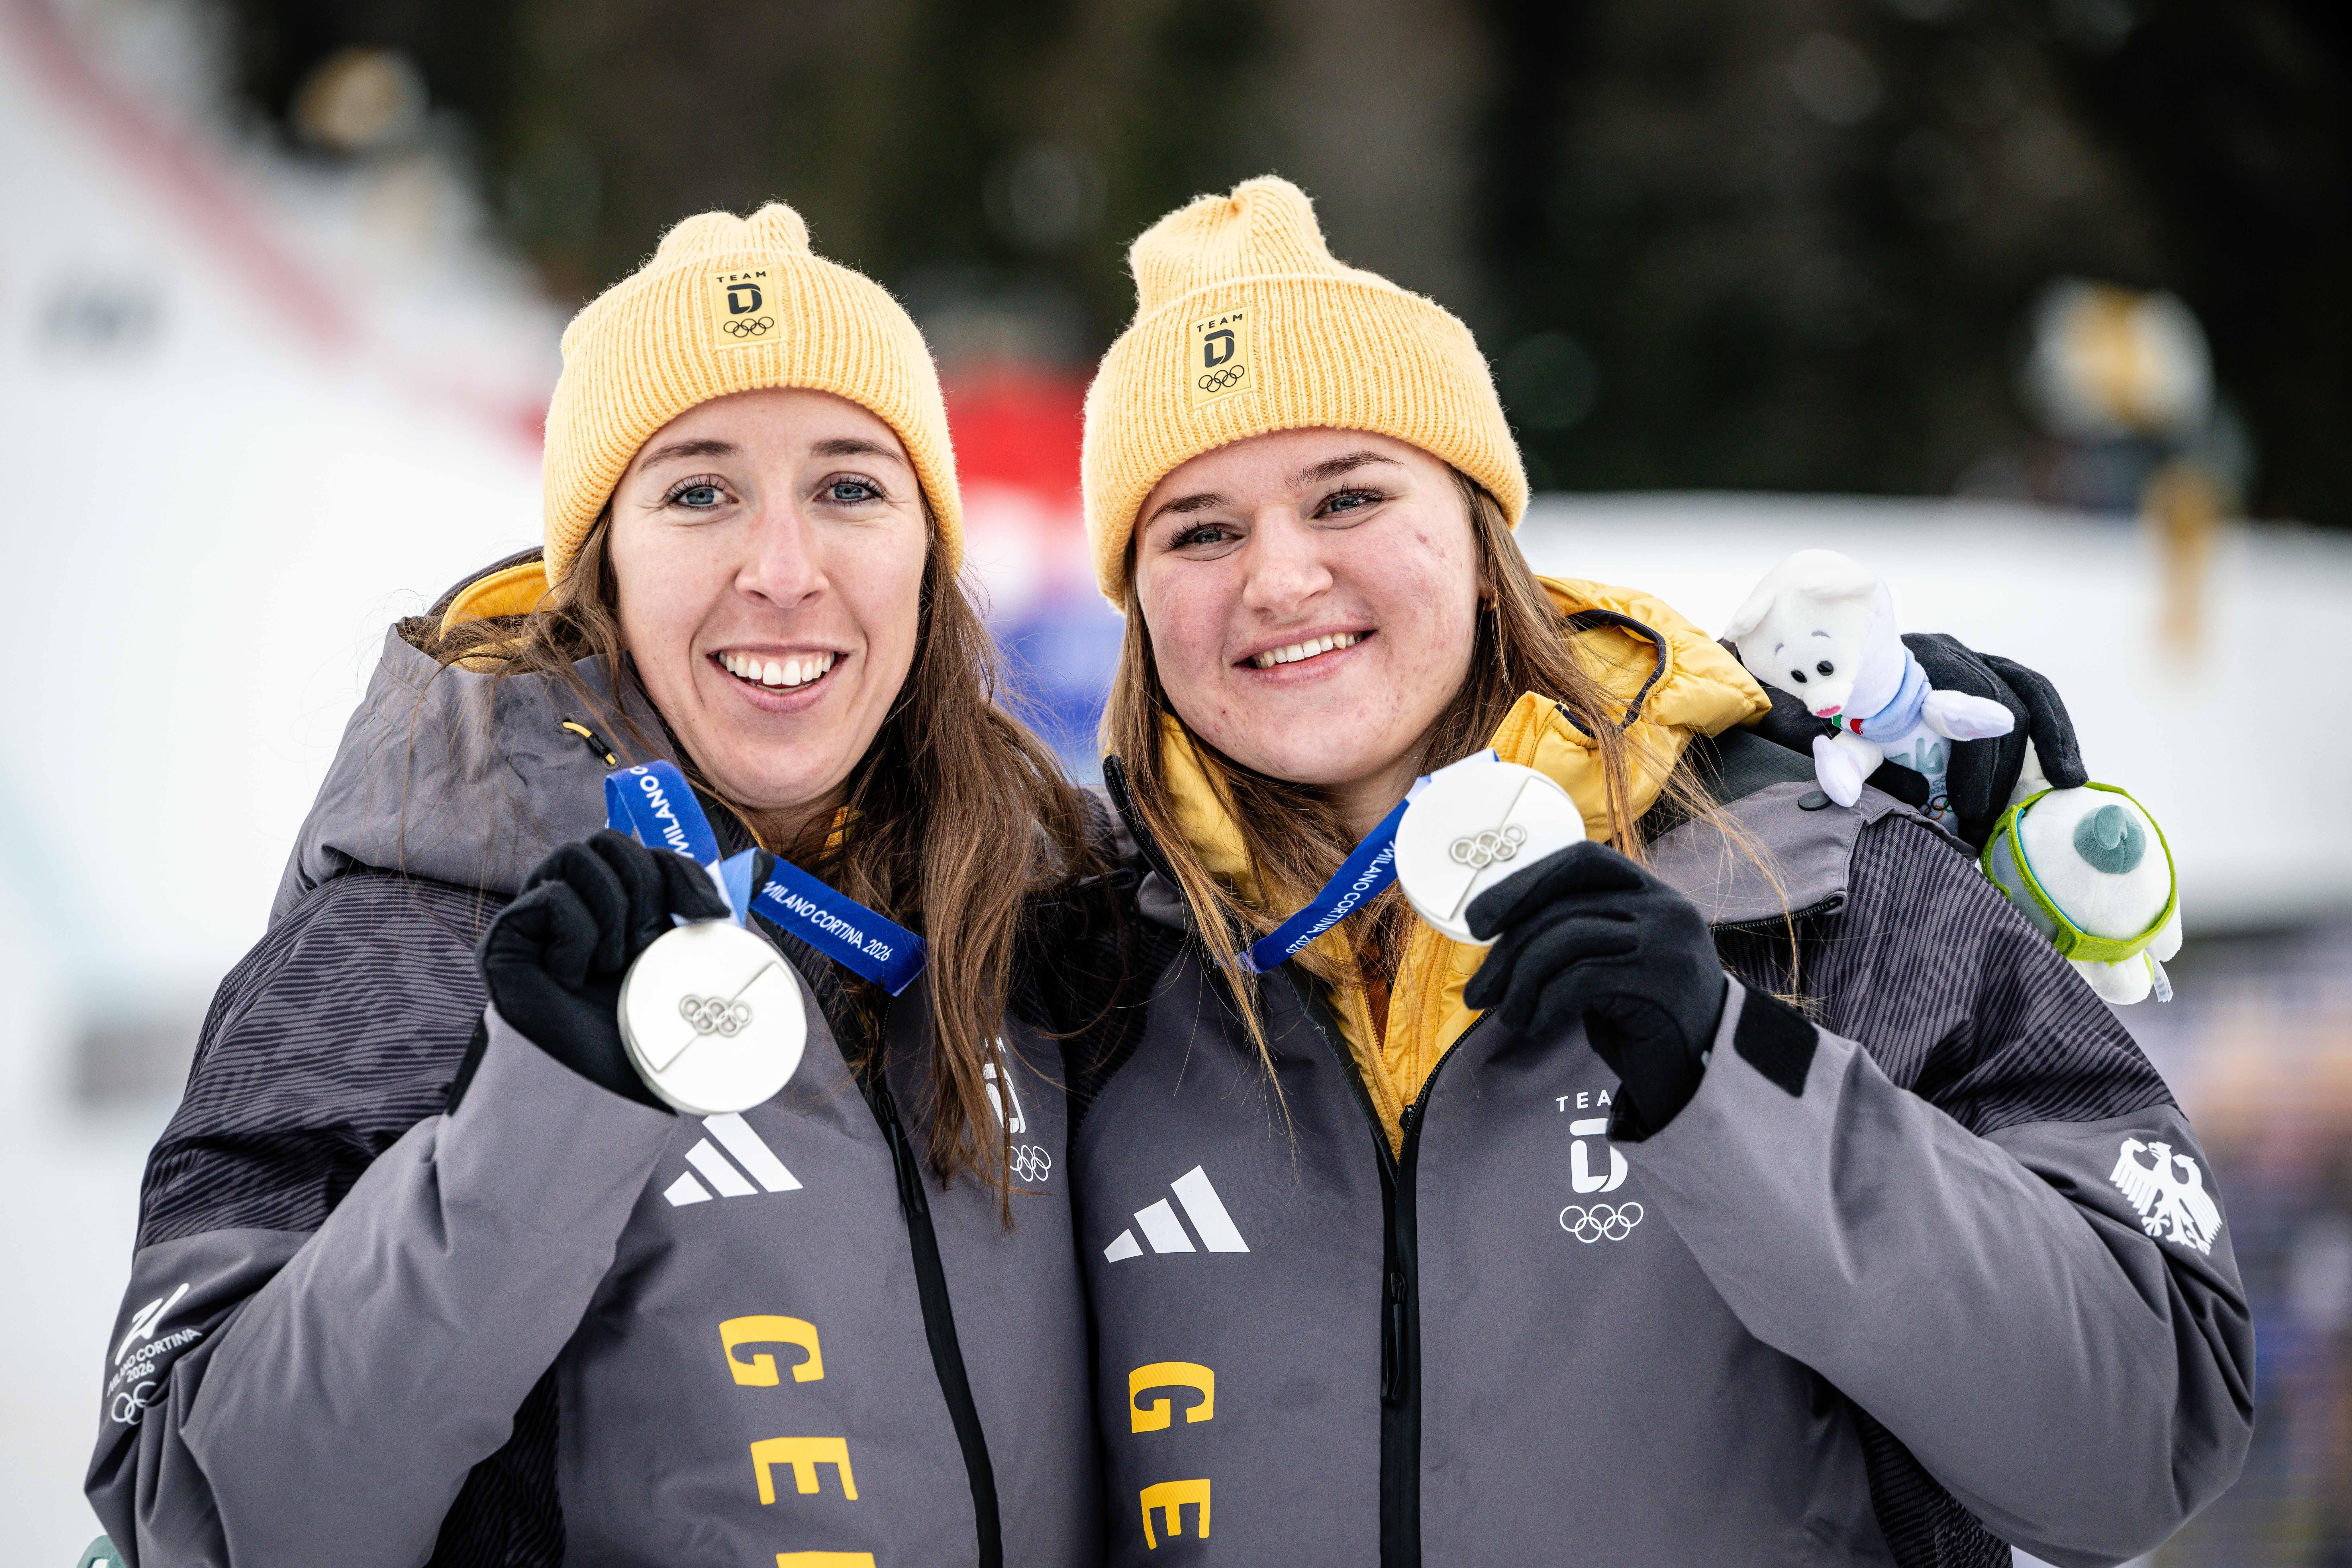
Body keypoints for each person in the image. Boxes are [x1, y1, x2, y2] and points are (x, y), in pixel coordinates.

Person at [1060, 177, 2252, 1565]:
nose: (1279, 578)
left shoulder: (1816, 874)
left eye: (1349, 495)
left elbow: (2147, 1434)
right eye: (1200, 530)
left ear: (1478, 525)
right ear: (1140, 601)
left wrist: (1737, 1083)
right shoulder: (1071, 976)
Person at [85, 204, 1103, 1568]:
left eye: (852, 486)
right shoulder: (412, 926)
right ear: (600, 565)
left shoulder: (1045, 920)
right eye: (698, 491)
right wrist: (534, 1127)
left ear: (930, 544)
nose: (785, 571)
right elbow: (198, 1518)